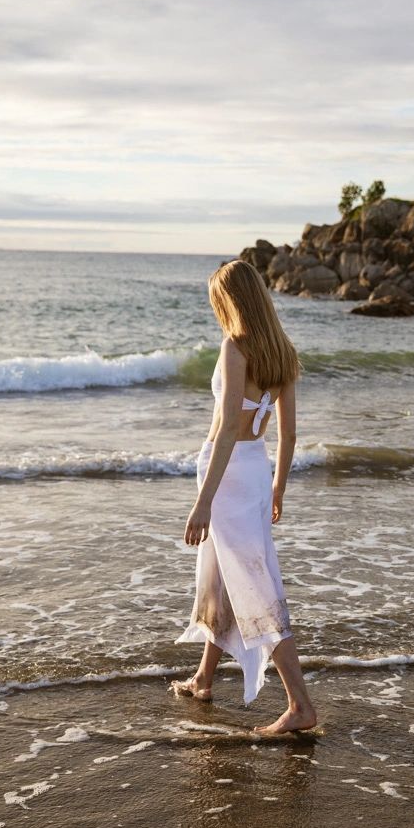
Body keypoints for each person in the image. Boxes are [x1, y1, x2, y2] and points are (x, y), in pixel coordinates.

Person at [172, 259, 318, 735]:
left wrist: (203, 502)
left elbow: (229, 428)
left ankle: (300, 705)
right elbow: (290, 435)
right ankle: (203, 678)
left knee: (256, 588)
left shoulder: (235, 347)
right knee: (220, 579)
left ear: (230, 301)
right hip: (255, 473)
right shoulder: (283, 352)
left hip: (228, 477)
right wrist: (278, 487)